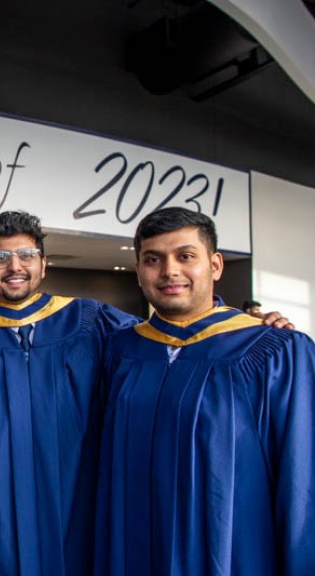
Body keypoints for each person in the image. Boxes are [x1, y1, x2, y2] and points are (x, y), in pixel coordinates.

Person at [94, 207, 315, 575]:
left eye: (185, 256)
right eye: (153, 259)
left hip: (230, 553)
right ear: (138, 271)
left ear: (214, 265)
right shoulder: (119, 352)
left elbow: (302, 480)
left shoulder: (274, 352)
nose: (169, 272)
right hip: (130, 551)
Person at [0, 211, 140, 576]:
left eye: (26, 255)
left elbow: (169, 344)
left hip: (77, 516)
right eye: (0, 258)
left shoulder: (90, 322)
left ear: (44, 263)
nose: (14, 266)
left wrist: (252, 325)